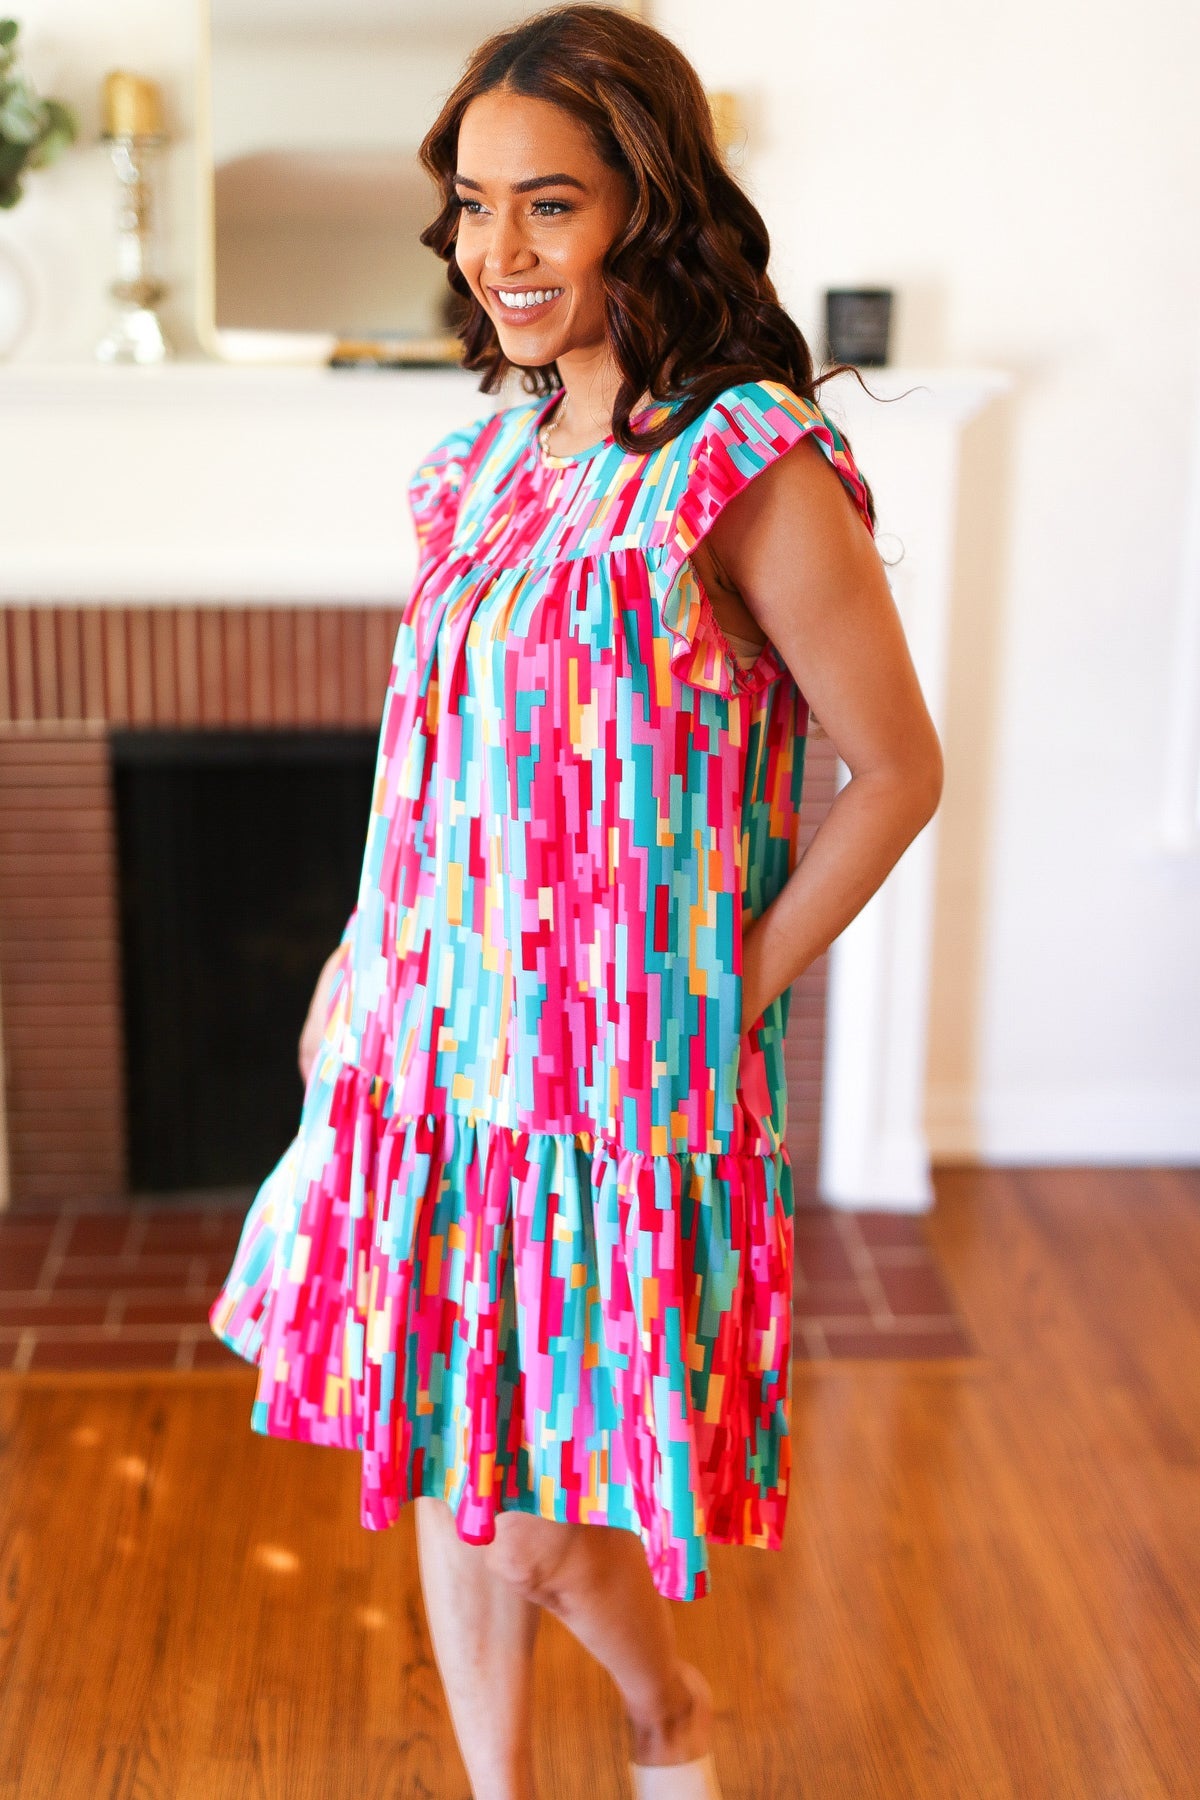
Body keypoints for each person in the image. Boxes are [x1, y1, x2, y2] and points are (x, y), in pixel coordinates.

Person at [209, 7, 943, 1797]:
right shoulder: (481, 463)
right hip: (427, 1054)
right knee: (443, 1458)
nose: (501, 251)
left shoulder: (743, 464)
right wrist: (356, 953)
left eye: (550, 204)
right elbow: (437, 760)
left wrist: (724, 995)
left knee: (539, 1525)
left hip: (613, 1096)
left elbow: (898, 771)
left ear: (649, 205)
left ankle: (665, 1717)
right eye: (475, 206)